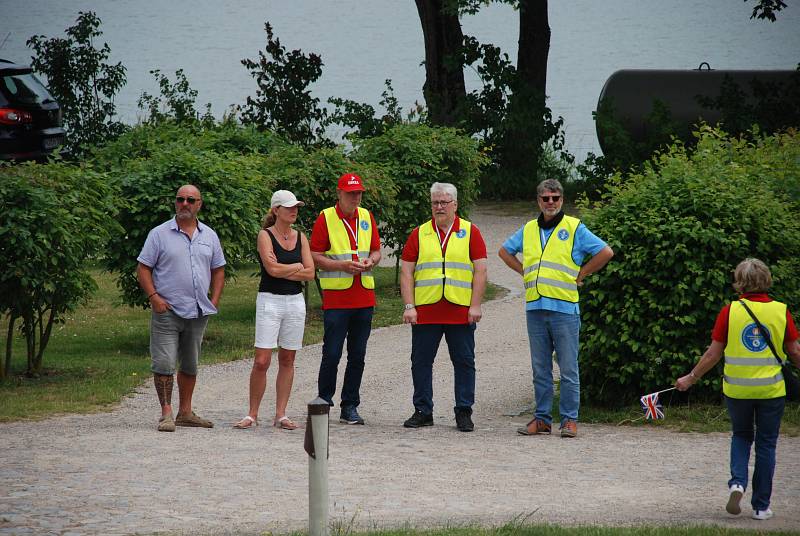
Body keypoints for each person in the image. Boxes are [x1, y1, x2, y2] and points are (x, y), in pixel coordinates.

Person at [676, 258, 800, 520]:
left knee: (741, 436)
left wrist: (691, 377)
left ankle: (737, 484)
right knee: (766, 444)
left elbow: (713, 354)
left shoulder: (730, 311)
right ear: (767, 280)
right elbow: (794, 351)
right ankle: (761, 507)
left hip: (737, 390)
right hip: (771, 391)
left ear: (739, 282)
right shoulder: (780, 311)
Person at [498, 178, 613, 438]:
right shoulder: (529, 229)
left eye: (555, 198)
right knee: (540, 369)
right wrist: (524, 271)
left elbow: (605, 252)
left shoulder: (574, 227)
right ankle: (542, 419)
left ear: (562, 200)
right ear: (538, 201)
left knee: (568, 368)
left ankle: (569, 420)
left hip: (564, 309)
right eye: (546, 198)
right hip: (535, 307)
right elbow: (504, 252)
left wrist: (582, 273)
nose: (551, 202)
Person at [137, 184, 226, 432]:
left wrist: (214, 300)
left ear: (199, 204)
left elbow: (218, 269)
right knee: (164, 363)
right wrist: (154, 297)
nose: (184, 204)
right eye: (180, 199)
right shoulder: (159, 234)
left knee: (190, 364)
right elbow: (143, 268)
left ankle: (185, 412)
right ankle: (166, 414)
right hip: (167, 310)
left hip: (198, 311)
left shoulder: (209, 235)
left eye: (190, 200)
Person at [400, 183, 488, 432]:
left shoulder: (470, 232)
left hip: (460, 310)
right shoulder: (419, 233)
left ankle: (464, 411)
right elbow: (406, 272)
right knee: (420, 362)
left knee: (464, 362)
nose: (439, 207)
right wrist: (409, 306)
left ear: (455, 205)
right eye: (435, 203)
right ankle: (423, 410)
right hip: (426, 310)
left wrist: (475, 305)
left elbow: (480, 271)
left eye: (444, 202)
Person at [234, 190, 315, 431]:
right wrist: (296, 266)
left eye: (296, 206)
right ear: (276, 210)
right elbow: (271, 270)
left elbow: (310, 273)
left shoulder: (301, 237)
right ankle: (252, 413)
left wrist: (286, 268)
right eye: (289, 207)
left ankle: (281, 414)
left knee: (288, 358)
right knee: (262, 360)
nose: (294, 210)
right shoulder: (265, 235)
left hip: (295, 301)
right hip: (270, 300)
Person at [310, 173, 382, 425]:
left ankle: (350, 405)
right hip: (337, 298)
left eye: (359, 193)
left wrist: (371, 260)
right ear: (339, 194)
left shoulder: (367, 216)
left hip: (364, 297)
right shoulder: (326, 217)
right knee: (331, 353)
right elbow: (315, 255)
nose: (356, 197)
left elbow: (376, 249)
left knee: (358, 356)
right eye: (351, 193)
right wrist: (341, 265)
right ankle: (324, 400)